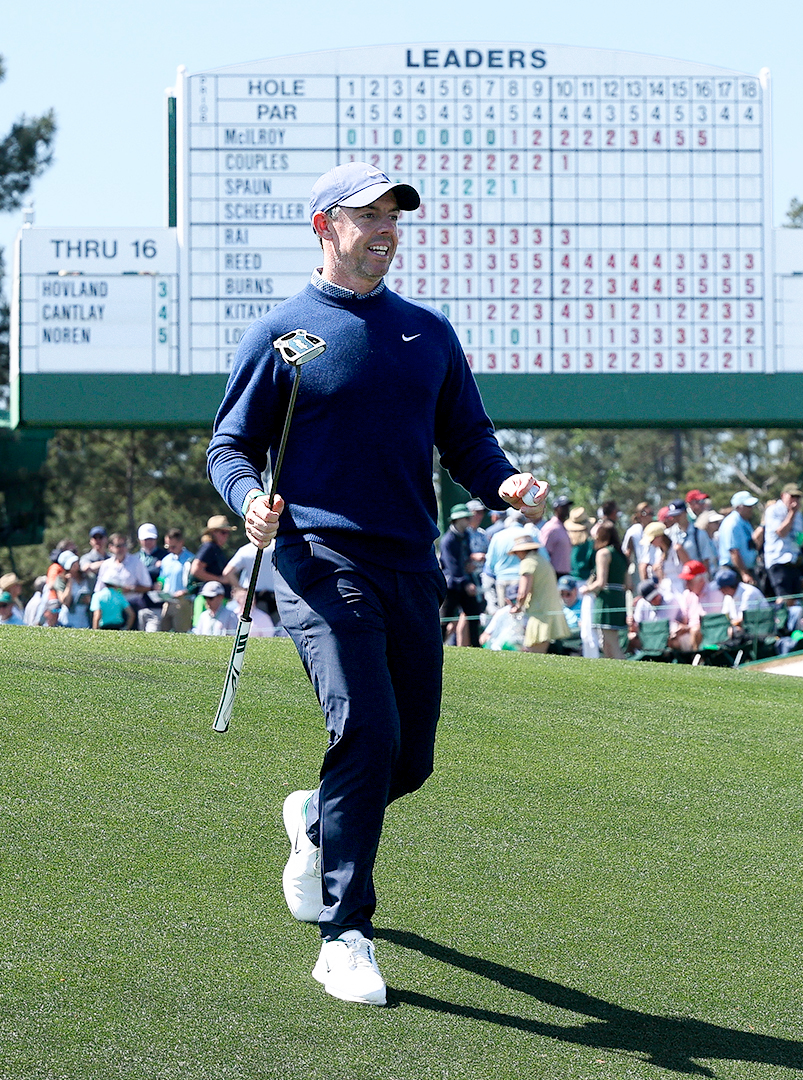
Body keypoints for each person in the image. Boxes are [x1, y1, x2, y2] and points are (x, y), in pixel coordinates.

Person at [207, 160, 548, 1007]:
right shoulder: (286, 332)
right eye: (368, 217)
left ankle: (315, 818)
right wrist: (252, 503)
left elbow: (467, 438)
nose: (386, 230)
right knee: (364, 726)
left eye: (395, 216)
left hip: (410, 561)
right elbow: (230, 446)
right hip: (319, 558)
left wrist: (501, 483)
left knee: (411, 754)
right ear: (325, 228)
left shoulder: (427, 333)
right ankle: (343, 935)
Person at [509, 535, 567, 654]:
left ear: (522, 551)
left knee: (535, 654)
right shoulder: (541, 560)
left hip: (540, 613)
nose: (516, 556)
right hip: (548, 610)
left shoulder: (528, 562)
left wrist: (517, 607)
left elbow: (523, 591)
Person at [581, 519, 628, 659]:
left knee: (611, 642)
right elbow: (628, 584)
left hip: (606, 599)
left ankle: (626, 672)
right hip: (619, 598)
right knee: (607, 642)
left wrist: (587, 589)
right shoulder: (621, 554)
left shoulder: (603, 553)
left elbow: (601, 582)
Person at [439, 504, 482, 647]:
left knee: (474, 616)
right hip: (452, 587)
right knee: (444, 620)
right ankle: (436, 648)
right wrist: (466, 583)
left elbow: (464, 558)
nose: (469, 520)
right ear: (456, 520)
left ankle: (477, 648)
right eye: (465, 518)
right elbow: (452, 567)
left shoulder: (466, 535)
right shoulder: (448, 540)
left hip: (465, 583)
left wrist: (470, 562)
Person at [761, 483, 803, 598]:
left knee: (796, 599)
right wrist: (792, 513)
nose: (795, 500)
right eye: (792, 496)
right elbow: (781, 532)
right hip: (778, 560)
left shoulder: (799, 515)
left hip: (794, 561)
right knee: (784, 599)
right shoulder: (773, 511)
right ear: (783, 496)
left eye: (797, 497)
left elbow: (800, 538)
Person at [155, 528, 197, 632]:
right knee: (163, 633)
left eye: (173, 546)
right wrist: (159, 586)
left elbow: (194, 583)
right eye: (167, 546)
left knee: (181, 634)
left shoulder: (191, 559)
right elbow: (163, 578)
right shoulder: (166, 560)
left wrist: (185, 591)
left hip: (183, 602)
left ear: (181, 542)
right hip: (167, 601)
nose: (170, 549)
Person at [668, 559, 710, 651]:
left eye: (689, 581)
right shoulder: (687, 594)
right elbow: (684, 619)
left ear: (701, 580)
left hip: (707, 635)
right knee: (670, 637)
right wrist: (680, 628)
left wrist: (687, 628)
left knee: (695, 632)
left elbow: (709, 623)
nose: (686, 584)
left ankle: (697, 660)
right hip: (689, 633)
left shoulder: (714, 592)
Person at [192, 515, 235, 588]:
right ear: (213, 533)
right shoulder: (208, 547)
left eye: (228, 532)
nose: (226, 536)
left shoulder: (216, 548)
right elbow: (195, 570)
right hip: (210, 596)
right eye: (223, 532)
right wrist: (219, 579)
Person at [539, 497, 573, 576]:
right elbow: (544, 552)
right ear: (557, 509)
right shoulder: (551, 528)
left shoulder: (561, 527)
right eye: (564, 507)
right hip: (554, 574)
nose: (567, 510)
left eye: (568, 507)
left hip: (563, 573)